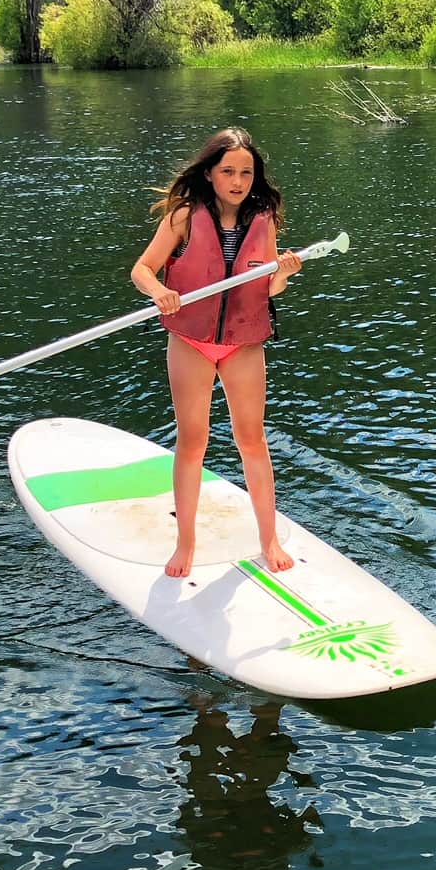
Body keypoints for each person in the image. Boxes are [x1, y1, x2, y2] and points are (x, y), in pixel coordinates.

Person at [130, 127, 302, 579]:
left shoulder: (264, 219)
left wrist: (283, 273)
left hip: (243, 343)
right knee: (194, 441)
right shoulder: (184, 214)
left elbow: (267, 286)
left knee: (252, 440)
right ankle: (185, 541)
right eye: (228, 171)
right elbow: (142, 269)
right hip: (191, 340)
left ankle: (269, 539)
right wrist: (160, 291)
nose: (238, 180)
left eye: (246, 172)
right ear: (209, 174)